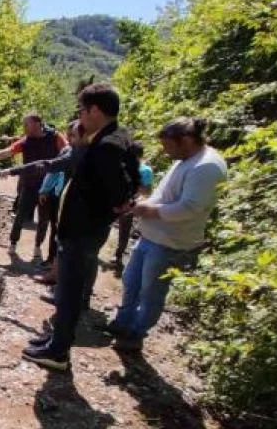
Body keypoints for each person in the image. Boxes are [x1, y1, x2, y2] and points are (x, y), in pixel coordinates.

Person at [22, 84, 137, 372]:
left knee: (70, 292)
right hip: (82, 228)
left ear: (95, 110)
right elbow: (128, 179)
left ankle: (58, 353)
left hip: (83, 230)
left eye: (82, 110)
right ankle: (56, 339)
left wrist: (114, 207)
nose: (80, 116)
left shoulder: (109, 145)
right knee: (66, 289)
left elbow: (122, 189)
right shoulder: (114, 138)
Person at [107, 117, 228, 351]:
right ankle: (124, 321)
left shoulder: (206, 167)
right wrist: (137, 205)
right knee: (131, 280)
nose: (165, 151)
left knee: (151, 291)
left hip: (171, 242)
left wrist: (147, 211)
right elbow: (164, 195)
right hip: (153, 236)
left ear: (185, 140)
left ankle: (136, 333)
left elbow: (189, 208)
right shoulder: (186, 159)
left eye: (168, 145)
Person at [0, 120, 87, 279]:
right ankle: (53, 269)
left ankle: (60, 276)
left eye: (72, 136)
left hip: (73, 204)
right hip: (47, 191)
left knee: (52, 227)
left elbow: (47, 166)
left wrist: (13, 171)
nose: (69, 139)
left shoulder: (69, 148)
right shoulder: (70, 151)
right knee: (52, 229)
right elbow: (50, 168)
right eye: (69, 135)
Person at [0, 114, 67, 255]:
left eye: (26, 124)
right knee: (20, 215)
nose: (24, 127)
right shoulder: (25, 141)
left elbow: (68, 153)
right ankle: (13, 243)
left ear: (37, 123)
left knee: (43, 219)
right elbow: (6, 152)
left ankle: (37, 247)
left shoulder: (56, 138)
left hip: (48, 186)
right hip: (29, 185)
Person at [113, 142, 154, 274]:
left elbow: (147, 190)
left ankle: (118, 255)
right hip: (120, 200)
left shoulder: (145, 170)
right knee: (120, 228)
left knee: (124, 228)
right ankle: (117, 255)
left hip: (131, 202)